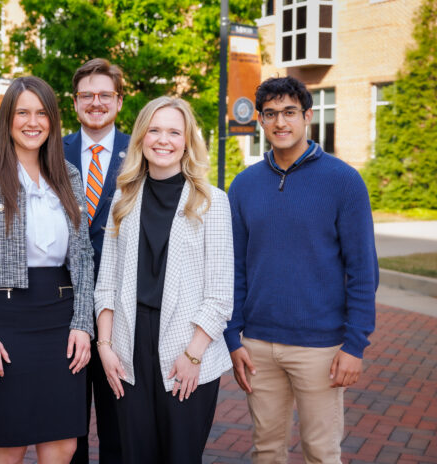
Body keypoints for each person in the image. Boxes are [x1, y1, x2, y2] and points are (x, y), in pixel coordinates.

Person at [223, 76, 379, 463]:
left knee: (320, 452)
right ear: (259, 120)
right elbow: (235, 269)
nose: (280, 123)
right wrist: (233, 337)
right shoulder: (243, 186)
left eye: (290, 112)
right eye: (271, 114)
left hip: (320, 348)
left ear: (307, 116)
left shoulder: (343, 181)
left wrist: (355, 345)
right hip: (258, 345)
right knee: (267, 451)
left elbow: (363, 270)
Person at [0, 76, 95, 464]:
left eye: (42, 113)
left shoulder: (69, 175)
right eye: (22, 113)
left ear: (53, 120)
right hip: (3, 321)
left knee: (62, 444)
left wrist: (84, 324)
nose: (33, 122)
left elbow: (82, 257)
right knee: (10, 443)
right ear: (7, 120)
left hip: (61, 320)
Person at [94, 96, 234, 464]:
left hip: (187, 348)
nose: (163, 139)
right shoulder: (123, 198)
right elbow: (105, 283)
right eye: (154, 130)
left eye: (174, 131)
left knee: (180, 457)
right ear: (141, 137)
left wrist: (193, 354)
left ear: (187, 140)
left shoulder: (211, 201)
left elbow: (220, 295)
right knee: (134, 455)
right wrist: (105, 346)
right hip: (129, 347)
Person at [63, 58, 129, 464]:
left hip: (120, 309)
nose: (96, 102)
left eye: (105, 95)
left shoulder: (141, 150)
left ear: (119, 101)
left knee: (117, 422)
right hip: (62, 306)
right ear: (75, 103)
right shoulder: (54, 149)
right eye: (87, 95)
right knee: (68, 426)